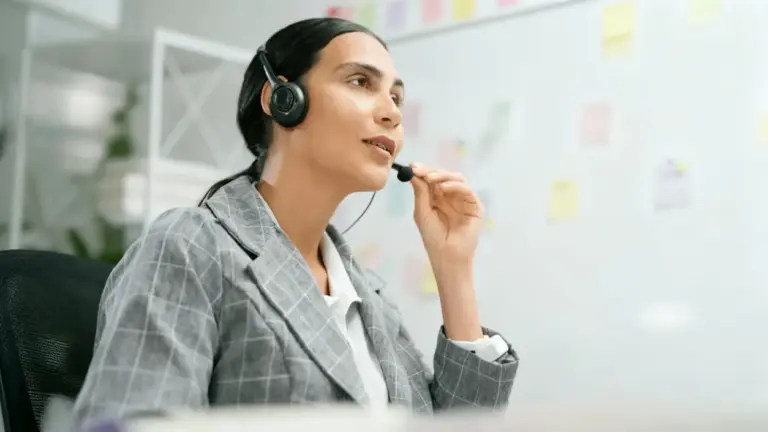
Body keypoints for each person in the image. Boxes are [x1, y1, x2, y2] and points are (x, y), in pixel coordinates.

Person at [72, 17, 518, 425]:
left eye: (397, 97)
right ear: (283, 100)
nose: (393, 113)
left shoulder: (370, 297)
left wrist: (453, 269)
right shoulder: (189, 247)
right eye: (361, 82)